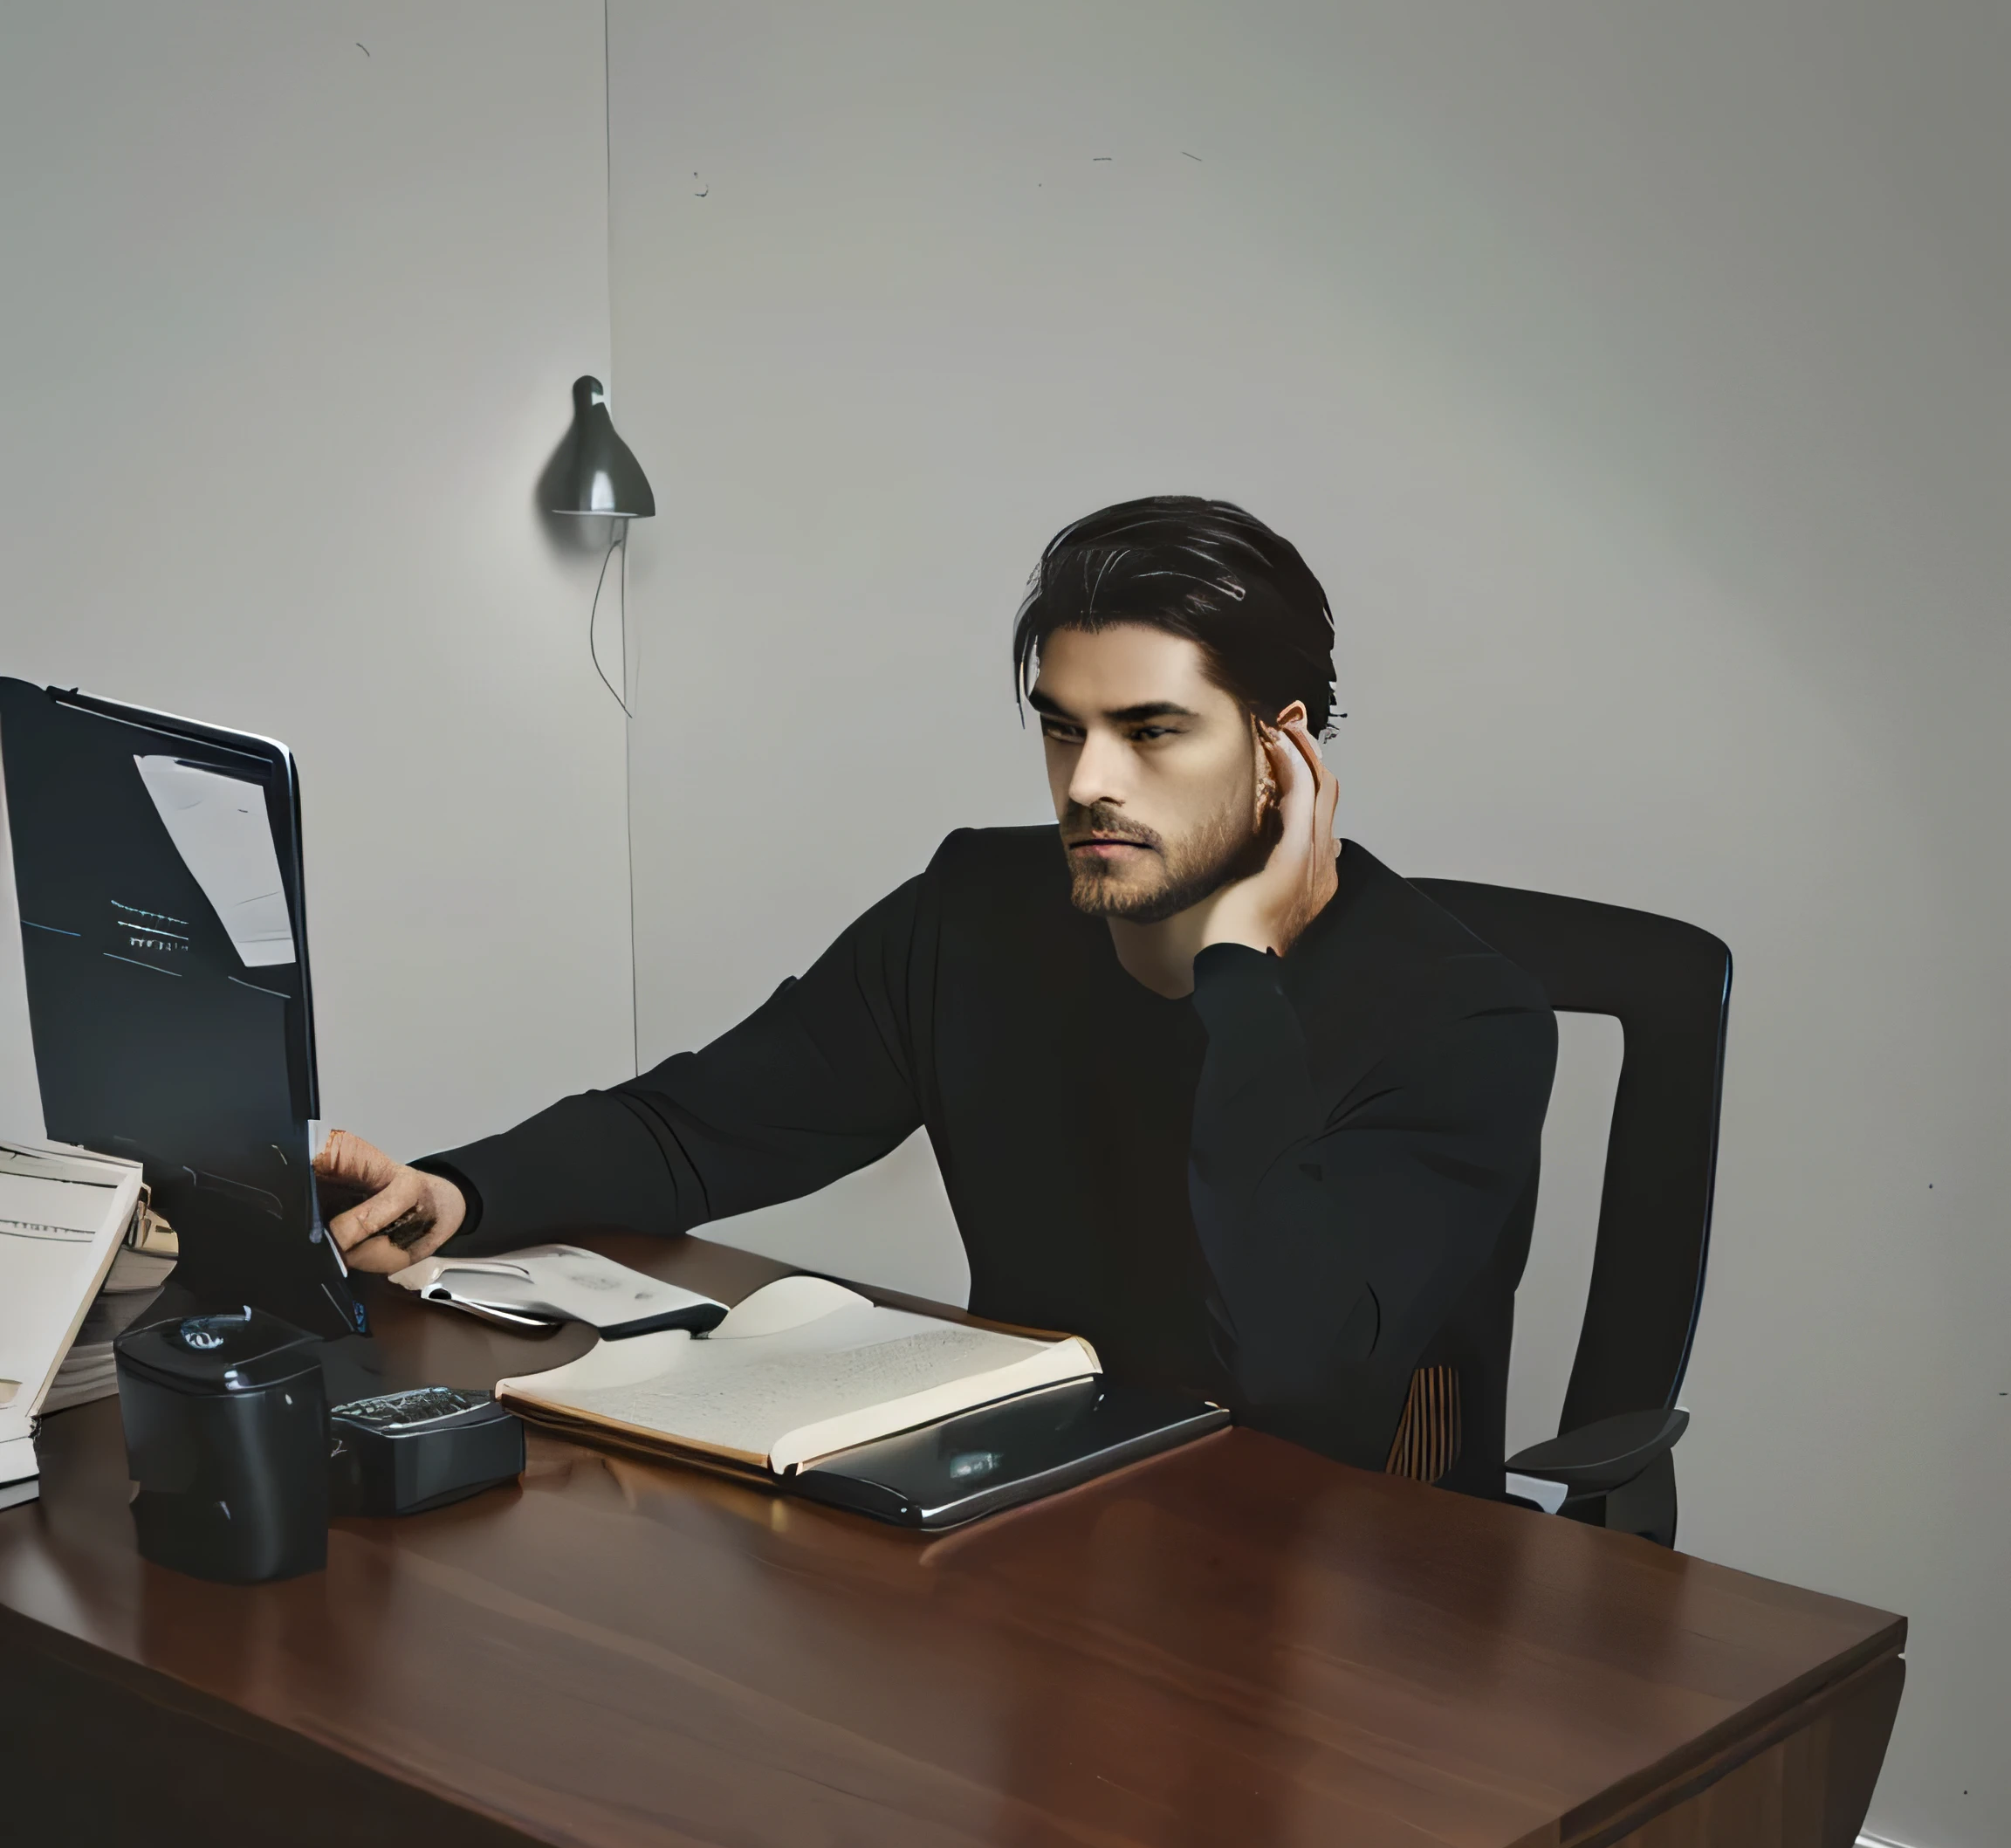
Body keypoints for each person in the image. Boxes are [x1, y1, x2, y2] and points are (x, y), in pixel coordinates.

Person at [317, 496, 1556, 1496]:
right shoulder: (981, 909)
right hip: (1036, 1494)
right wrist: (461, 1190)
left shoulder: (1458, 1022)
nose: (1089, 783)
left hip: (1332, 1574)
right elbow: (703, 1125)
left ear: (1284, 750)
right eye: (1063, 731)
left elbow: (1302, 1383)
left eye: (1152, 732)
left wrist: (1237, 975)